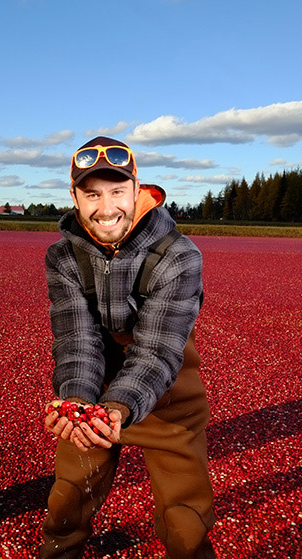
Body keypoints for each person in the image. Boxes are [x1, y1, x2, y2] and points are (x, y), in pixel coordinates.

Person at [40, 136, 216, 559]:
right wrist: (79, 403)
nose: (107, 208)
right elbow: (77, 338)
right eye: (92, 194)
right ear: (75, 197)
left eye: (118, 191)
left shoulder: (178, 255)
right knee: (69, 496)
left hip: (169, 395)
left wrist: (118, 407)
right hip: (95, 390)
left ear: (138, 190)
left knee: (183, 512)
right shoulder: (63, 256)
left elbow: (158, 351)